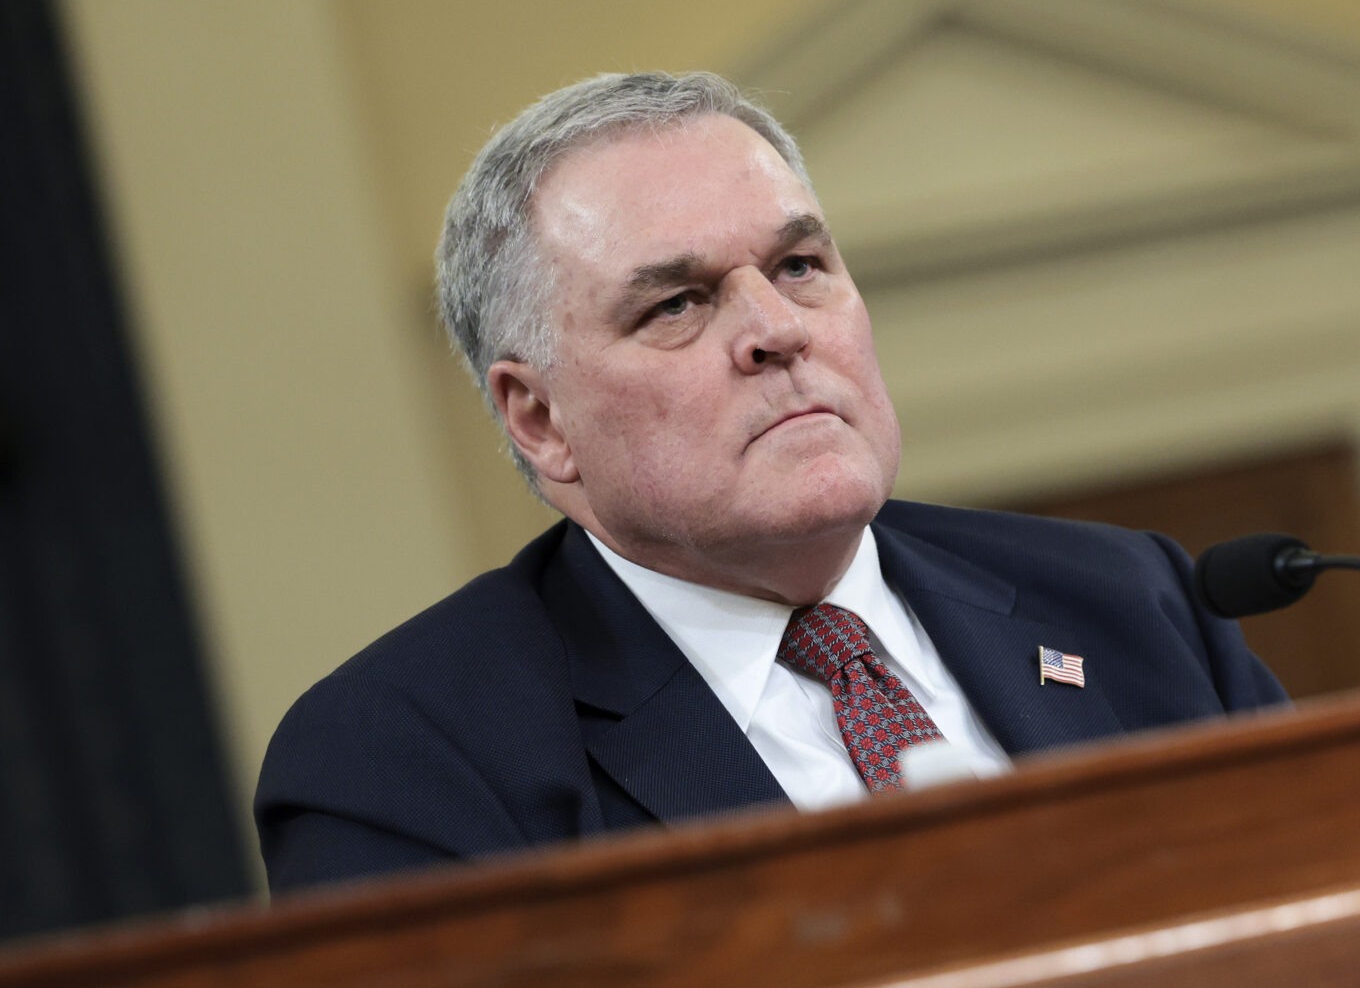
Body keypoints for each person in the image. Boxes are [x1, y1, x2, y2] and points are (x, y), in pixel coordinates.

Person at [255, 72, 1286, 890]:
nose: (776, 332)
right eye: (677, 304)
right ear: (540, 419)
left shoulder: (1128, 602)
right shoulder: (404, 760)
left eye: (797, 267)